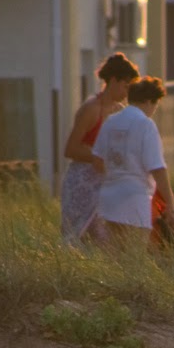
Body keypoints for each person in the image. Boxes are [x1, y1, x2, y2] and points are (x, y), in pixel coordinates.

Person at [61, 52, 138, 246]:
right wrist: (101, 156)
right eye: (125, 85)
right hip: (83, 182)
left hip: (107, 182)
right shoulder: (91, 109)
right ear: (113, 81)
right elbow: (71, 149)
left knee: (108, 239)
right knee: (80, 238)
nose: (127, 92)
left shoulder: (120, 111)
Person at [91, 75, 174, 249]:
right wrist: (170, 202)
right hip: (134, 197)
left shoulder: (111, 121)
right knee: (134, 254)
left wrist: (115, 174)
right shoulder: (145, 124)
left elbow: (97, 159)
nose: (154, 109)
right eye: (155, 105)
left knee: (113, 253)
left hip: (109, 196)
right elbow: (157, 168)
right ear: (149, 101)